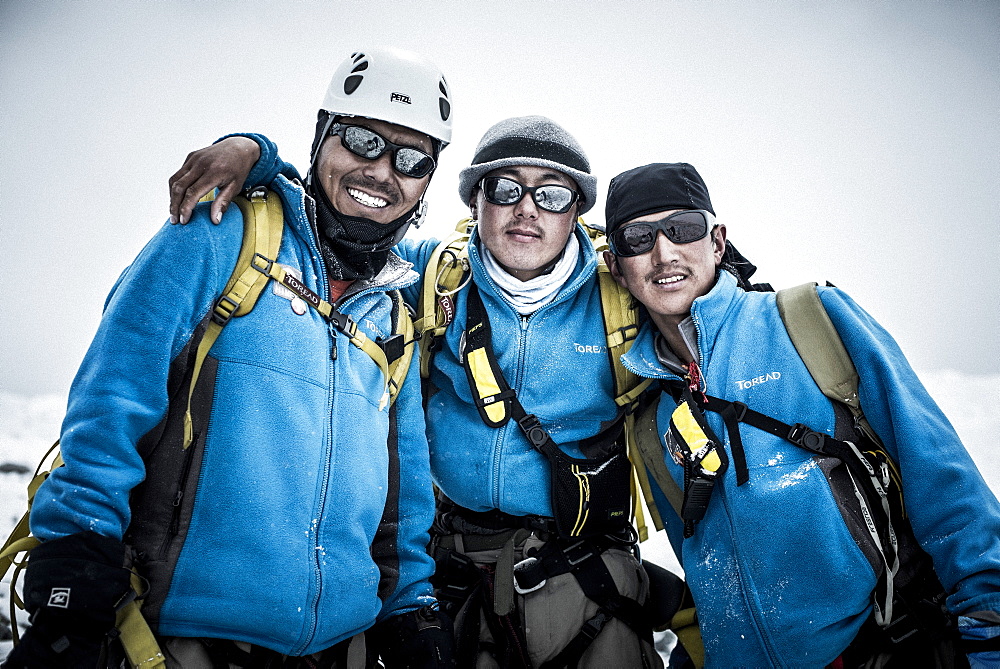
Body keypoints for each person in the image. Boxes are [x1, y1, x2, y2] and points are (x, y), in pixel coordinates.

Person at [3, 47, 455, 669]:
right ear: (323, 135)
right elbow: (114, 397)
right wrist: (73, 569)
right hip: (177, 642)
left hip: (338, 652)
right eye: (362, 141)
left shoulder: (395, 313)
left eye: (411, 159)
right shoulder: (221, 235)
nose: (381, 172)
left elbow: (401, 508)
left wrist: (411, 610)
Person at [167, 117, 666, 668]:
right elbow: (330, 222)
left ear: (576, 210)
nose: (527, 209)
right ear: (477, 199)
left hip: (584, 569)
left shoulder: (621, 294)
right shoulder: (429, 274)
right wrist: (252, 151)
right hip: (451, 567)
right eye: (506, 189)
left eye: (552, 194)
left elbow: (694, 282)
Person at [601, 162, 1000, 667]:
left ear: (718, 241)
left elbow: (945, 482)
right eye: (638, 238)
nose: (664, 253)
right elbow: (704, 568)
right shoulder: (649, 415)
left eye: (683, 229)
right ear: (617, 266)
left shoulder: (813, 321)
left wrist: (988, 630)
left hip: (887, 648)